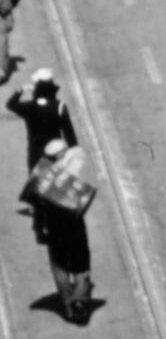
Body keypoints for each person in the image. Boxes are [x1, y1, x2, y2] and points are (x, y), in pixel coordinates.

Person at [29, 139, 93, 325]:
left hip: (53, 225)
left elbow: (37, 207)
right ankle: (80, 300)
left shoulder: (41, 173)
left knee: (59, 265)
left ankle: (67, 305)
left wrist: (39, 229)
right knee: (82, 264)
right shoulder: (75, 162)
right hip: (74, 223)